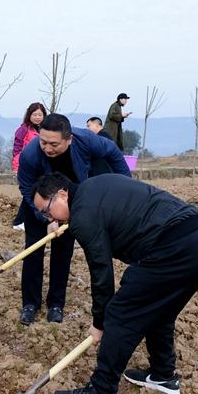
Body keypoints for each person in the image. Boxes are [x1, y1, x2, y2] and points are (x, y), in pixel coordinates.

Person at [31, 172, 198, 394]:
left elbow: (101, 273)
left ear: (63, 194)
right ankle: (163, 375)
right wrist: (59, 220)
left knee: (120, 313)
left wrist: (100, 322)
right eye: (44, 215)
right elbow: (104, 213)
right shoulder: (92, 188)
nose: (48, 217)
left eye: (47, 211)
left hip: (174, 247)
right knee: (159, 309)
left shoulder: (83, 216)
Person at [16, 113, 130, 325]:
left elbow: (113, 152)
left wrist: (126, 184)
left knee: (63, 252)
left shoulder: (86, 140)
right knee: (33, 252)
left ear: (69, 139)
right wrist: (45, 216)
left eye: (54, 144)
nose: (47, 148)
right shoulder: (31, 154)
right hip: (38, 205)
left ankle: (56, 304)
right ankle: (30, 304)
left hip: (70, 204)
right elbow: (24, 186)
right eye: (43, 142)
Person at [11, 102, 48, 231]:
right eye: (35, 114)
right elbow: (17, 150)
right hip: (26, 167)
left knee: (35, 194)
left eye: (40, 114)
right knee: (30, 194)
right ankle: (19, 221)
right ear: (29, 115)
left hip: (41, 167)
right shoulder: (24, 130)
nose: (37, 117)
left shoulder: (45, 130)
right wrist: (16, 167)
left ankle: (24, 220)